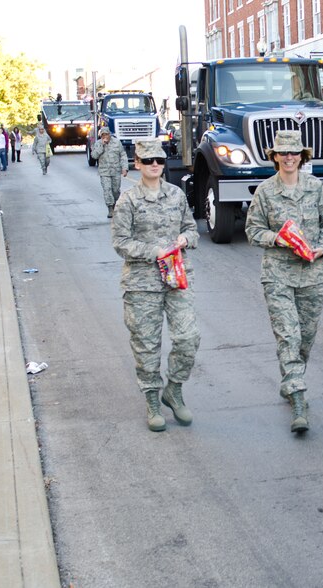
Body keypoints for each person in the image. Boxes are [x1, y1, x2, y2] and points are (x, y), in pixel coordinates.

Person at [245, 130, 323, 433]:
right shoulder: (265, 191)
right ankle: (298, 399)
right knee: (288, 335)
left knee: (305, 338)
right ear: (274, 156)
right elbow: (253, 230)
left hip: (313, 273)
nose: (289, 158)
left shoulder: (314, 188)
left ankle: (290, 379)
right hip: (278, 274)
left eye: (294, 153)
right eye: (283, 153)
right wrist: (279, 239)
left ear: (302, 156)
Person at [111, 139, 200, 432]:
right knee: (147, 345)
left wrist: (186, 238)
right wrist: (155, 251)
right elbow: (121, 243)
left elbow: (191, 227)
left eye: (159, 161)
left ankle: (173, 389)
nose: (154, 166)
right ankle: (152, 401)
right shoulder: (128, 201)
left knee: (188, 337)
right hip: (142, 284)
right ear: (137, 164)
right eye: (148, 161)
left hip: (176, 278)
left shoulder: (176, 195)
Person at [92, 127, 128, 218]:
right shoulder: (98, 144)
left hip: (116, 171)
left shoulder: (117, 142)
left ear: (109, 134)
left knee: (115, 191)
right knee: (107, 190)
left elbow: (123, 155)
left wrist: (125, 168)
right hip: (104, 172)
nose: (105, 136)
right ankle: (110, 208)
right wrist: (102, 146)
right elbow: (94, 156)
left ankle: (116, 205)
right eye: (103, 135)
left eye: (106, 134)